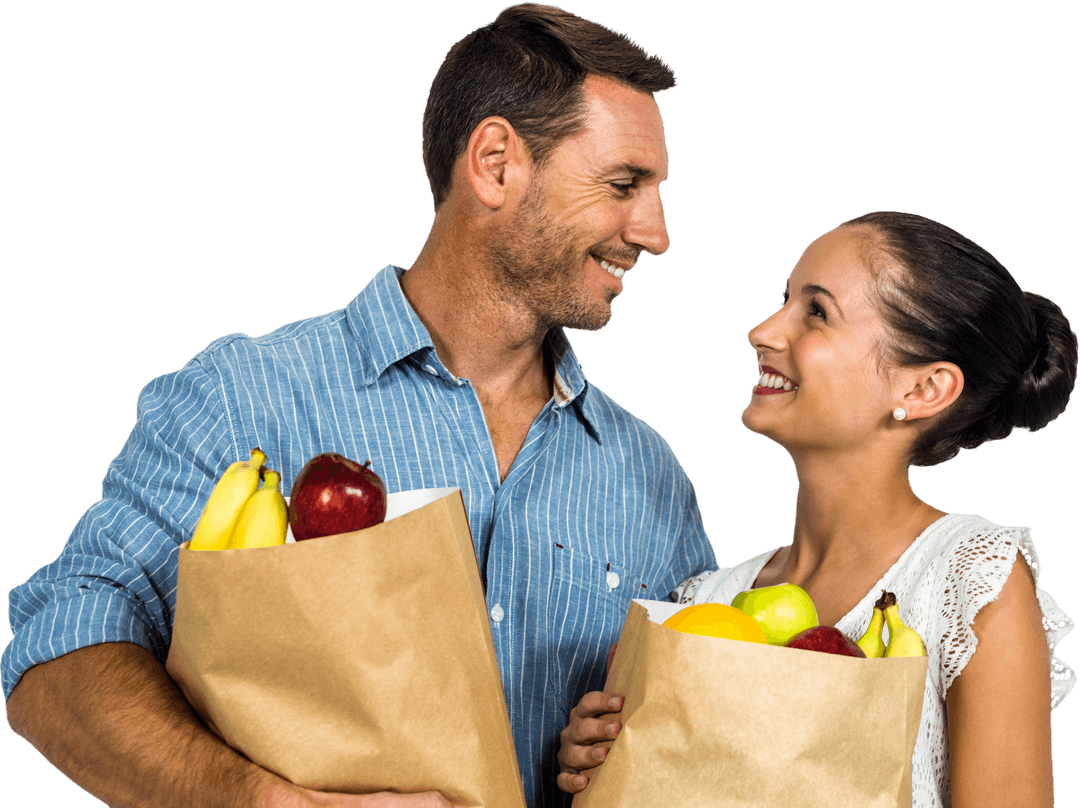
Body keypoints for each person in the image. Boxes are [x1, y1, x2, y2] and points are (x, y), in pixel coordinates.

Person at [2, 5, 717, 808]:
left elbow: (690, 742)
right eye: (624, 184)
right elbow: (56, 646)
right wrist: (252, 800)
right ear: (494, 163)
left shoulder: (653, 478)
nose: (655, 232)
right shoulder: (248, 399)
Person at [557, 211, 1076, 807]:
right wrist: (590, 759)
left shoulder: (968, 583)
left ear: (922, 389)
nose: (762, 331)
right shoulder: (704, 603)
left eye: (816, 312)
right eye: (784, 299)